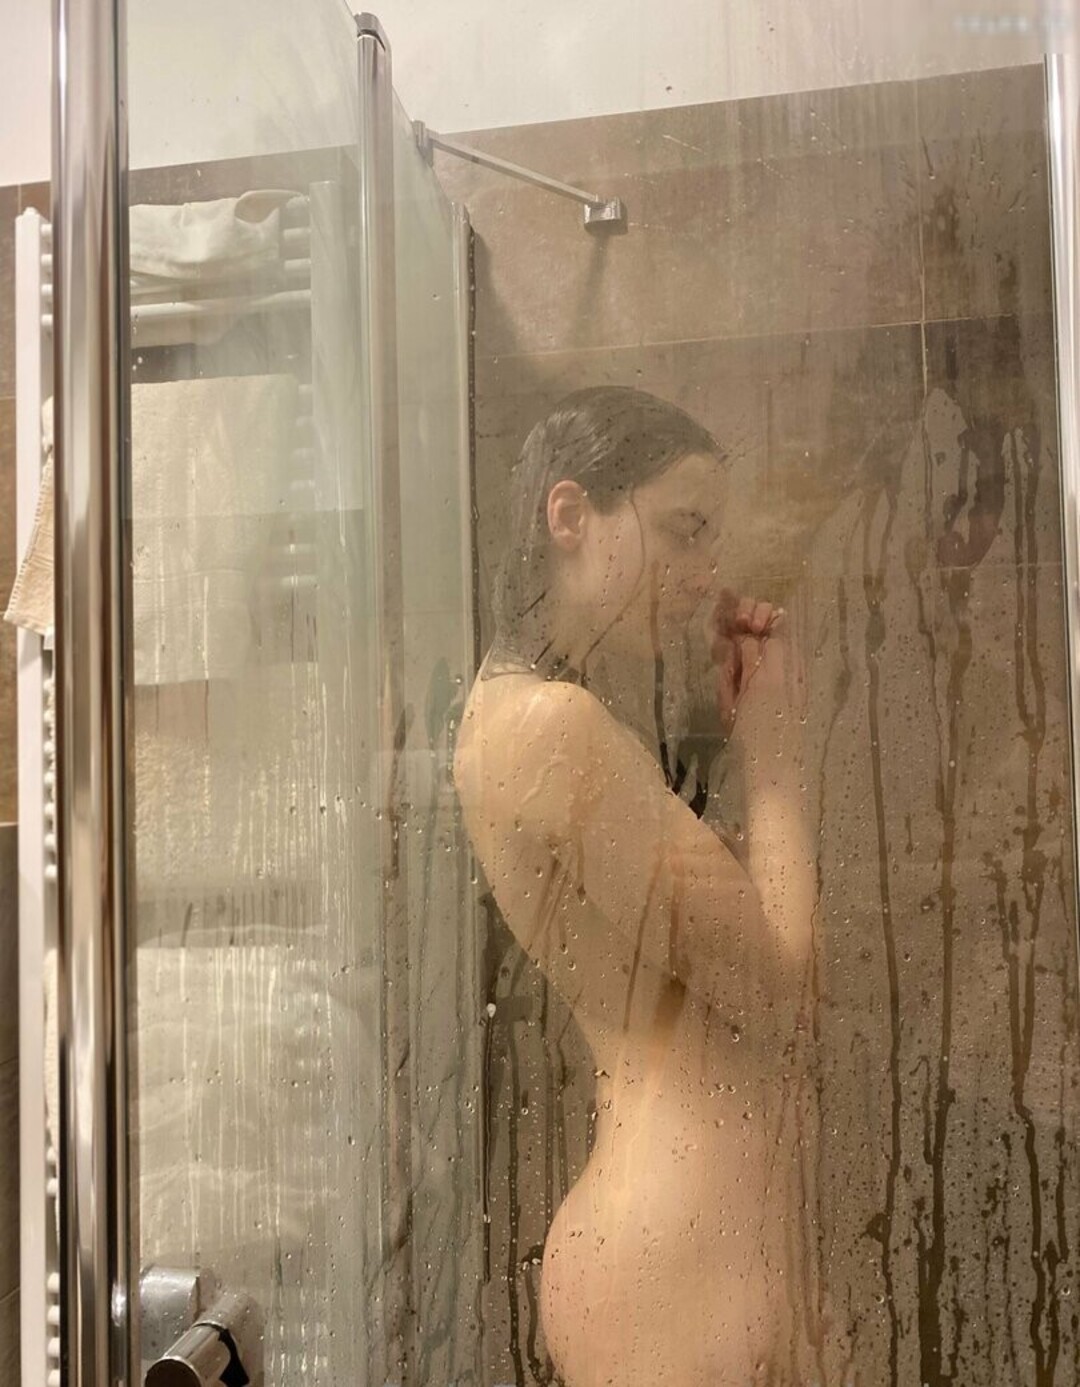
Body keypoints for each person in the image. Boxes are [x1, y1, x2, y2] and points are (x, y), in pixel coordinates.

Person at [453, 387, 821, 1386]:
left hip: (677, 1237)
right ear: (570, 514)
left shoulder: (531, 714)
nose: (705, 574)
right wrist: (776, 751)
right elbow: (783, 982)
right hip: (667, 1248)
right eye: (683, 530)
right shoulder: (552, 726)